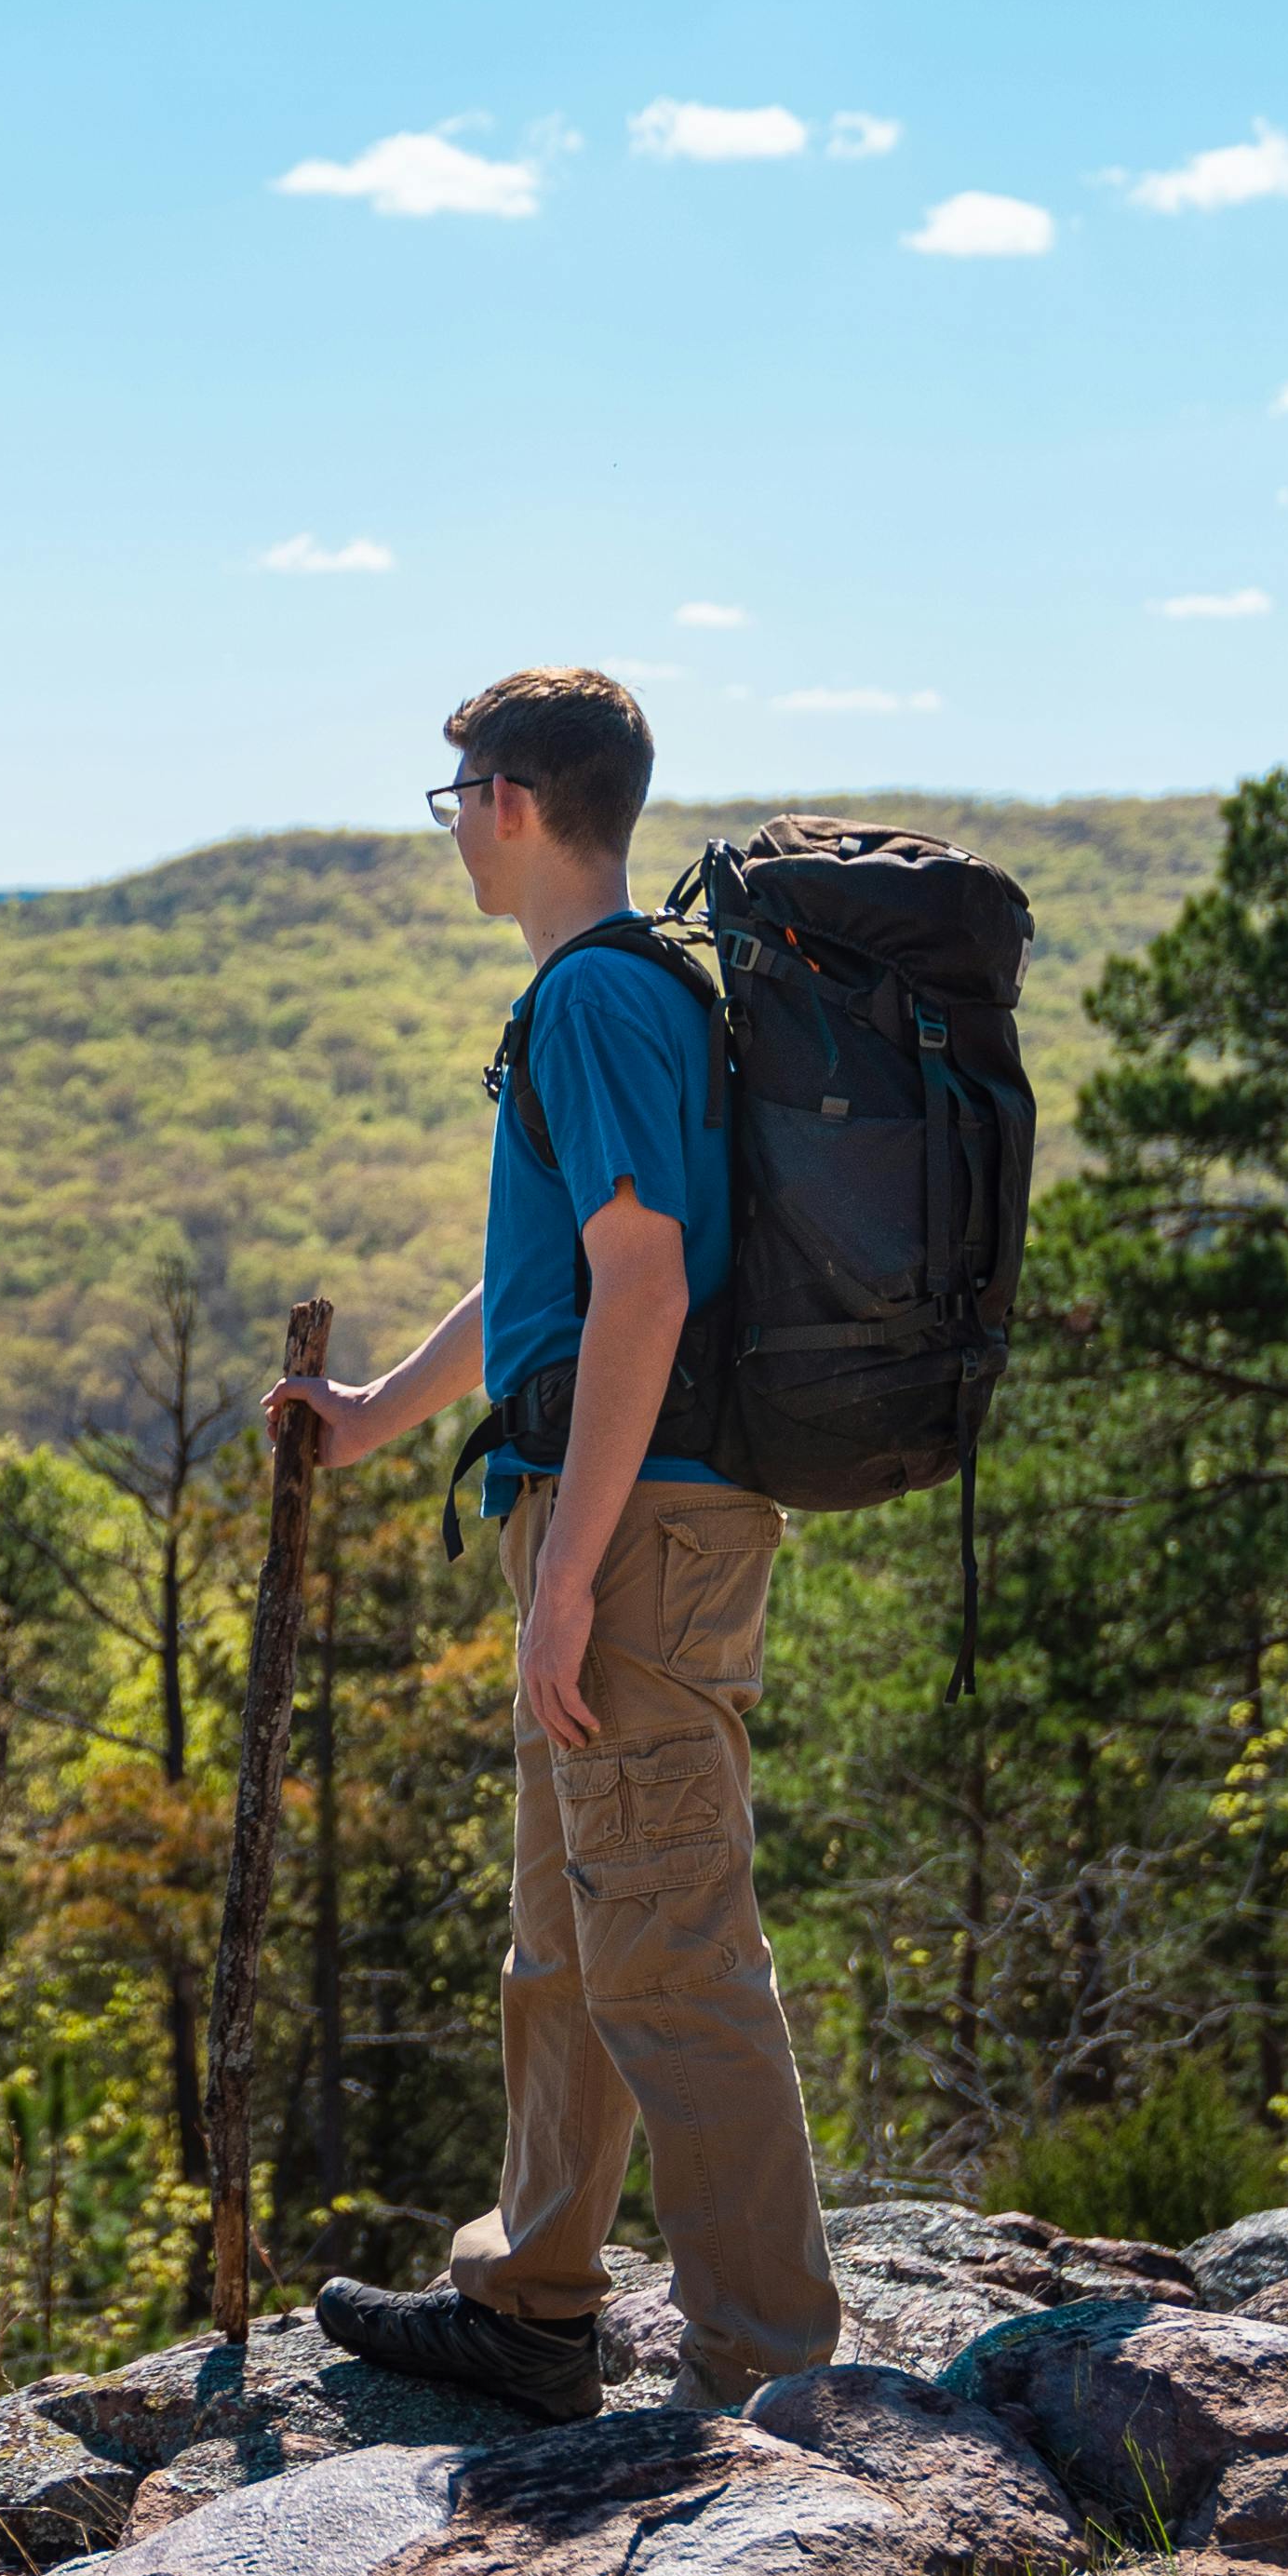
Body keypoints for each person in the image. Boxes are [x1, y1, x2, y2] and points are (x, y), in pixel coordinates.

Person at [264, 667, 843, 2419]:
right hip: (604, 1514)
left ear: (513, 801)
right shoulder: (613, 994)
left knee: (668, 1944)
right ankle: (533, 2297)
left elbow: (647, 1281)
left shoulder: (597, 1000)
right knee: (567, 1936)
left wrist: (575, 1568)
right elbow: (554, 1282)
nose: (454, 834)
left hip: (636, 1531)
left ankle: (768, 2374)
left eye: (457, 801)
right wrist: (380, 1414)